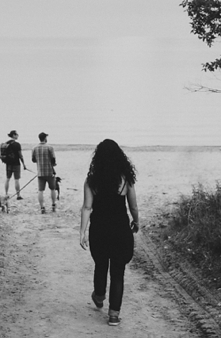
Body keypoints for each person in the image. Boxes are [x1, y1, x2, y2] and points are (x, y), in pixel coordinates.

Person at [79, 139, 139, 327]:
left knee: (101, 264)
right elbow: (133, 206)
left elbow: (87, 208)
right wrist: (136, 222)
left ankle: (99, 296)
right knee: (118, 272)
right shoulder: (125, 179)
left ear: (98, 158)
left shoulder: (91, 181)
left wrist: (82, 232)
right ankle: (114, 315)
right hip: (120, 229)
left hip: (99, 229)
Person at [31, 132, 57, 214]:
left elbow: (33, 160)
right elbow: (53, 158)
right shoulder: (50, 147)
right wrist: (53, 164)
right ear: (45, 138)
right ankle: (53, 205)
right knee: (52, 189)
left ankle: (42, 207)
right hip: (50, 172)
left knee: (40, 190)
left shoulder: (35, 148)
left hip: (40, 172)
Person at [2, 130, 27, 200]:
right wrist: (24, 164)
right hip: (16, 164)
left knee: (7, 179)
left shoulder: (6, 143)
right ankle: (18, 195)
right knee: (16, 180)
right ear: (13, 135)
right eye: (16, 135)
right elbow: (20, 155)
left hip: (8, 164)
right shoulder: (17, 144)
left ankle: (6, 193)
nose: (17, 136)